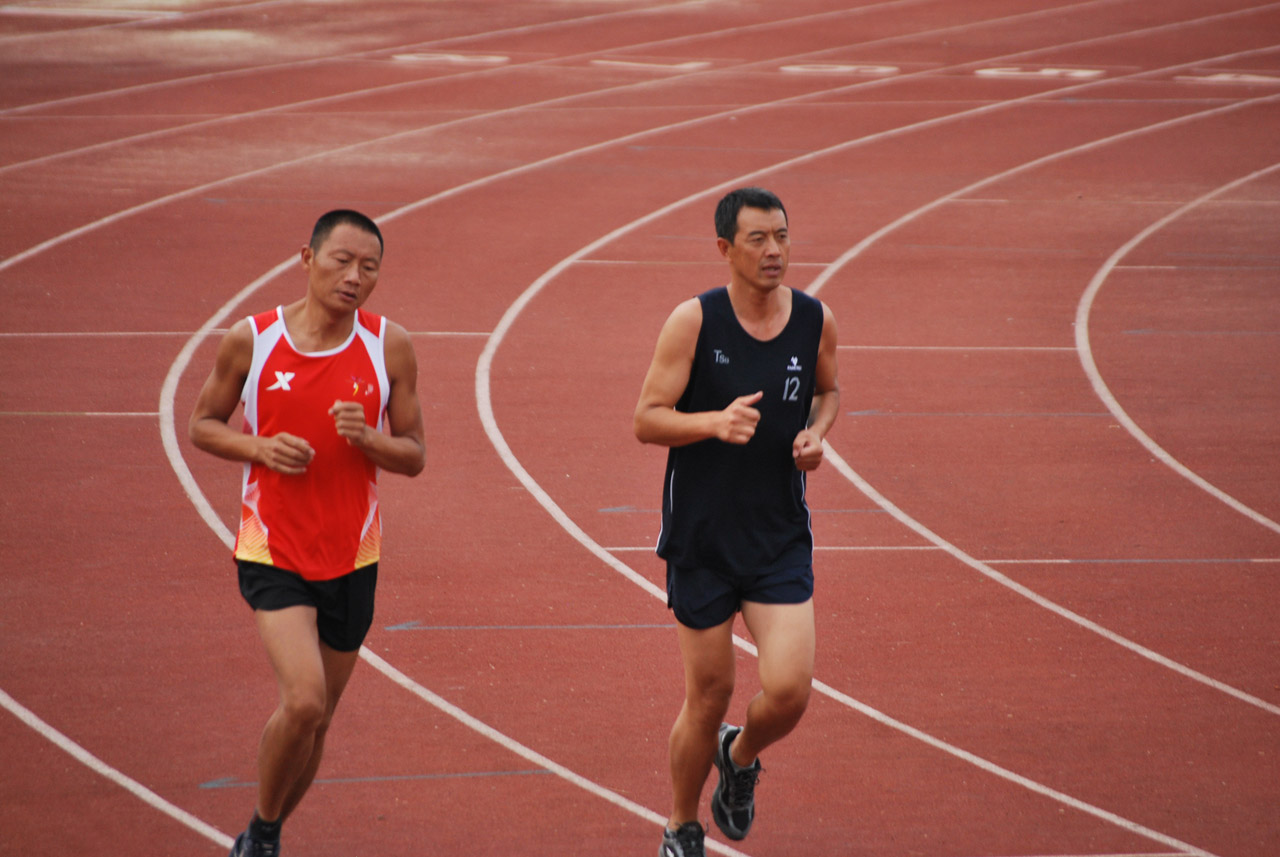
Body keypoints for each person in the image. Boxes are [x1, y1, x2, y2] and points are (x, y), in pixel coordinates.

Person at [189, 209, 426, 857]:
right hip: (274, 548)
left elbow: (414, 454)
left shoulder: (388, 346)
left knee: (318, 720)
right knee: (302, 700)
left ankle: (268, 830)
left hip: (353, 555)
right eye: (342, 260)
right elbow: (203, 424)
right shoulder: (253, 339)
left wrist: (370, 438)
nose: (354, 277)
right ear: (307, 257)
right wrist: (259, 449)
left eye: (369, 266)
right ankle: (262, 833)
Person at [634, 187, 839, 857]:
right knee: (710, 691)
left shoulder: (813, 319)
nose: (774, 250)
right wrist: (712, 423)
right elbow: (648, 417)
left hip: (778, 534)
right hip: (702, 538)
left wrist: (815, 433)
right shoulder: (693, 321)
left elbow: (827, 391)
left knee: (788, 691)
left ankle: (740, 755)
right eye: (758, 238)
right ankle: (679, 825)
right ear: (725, 248)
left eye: (782, 235)